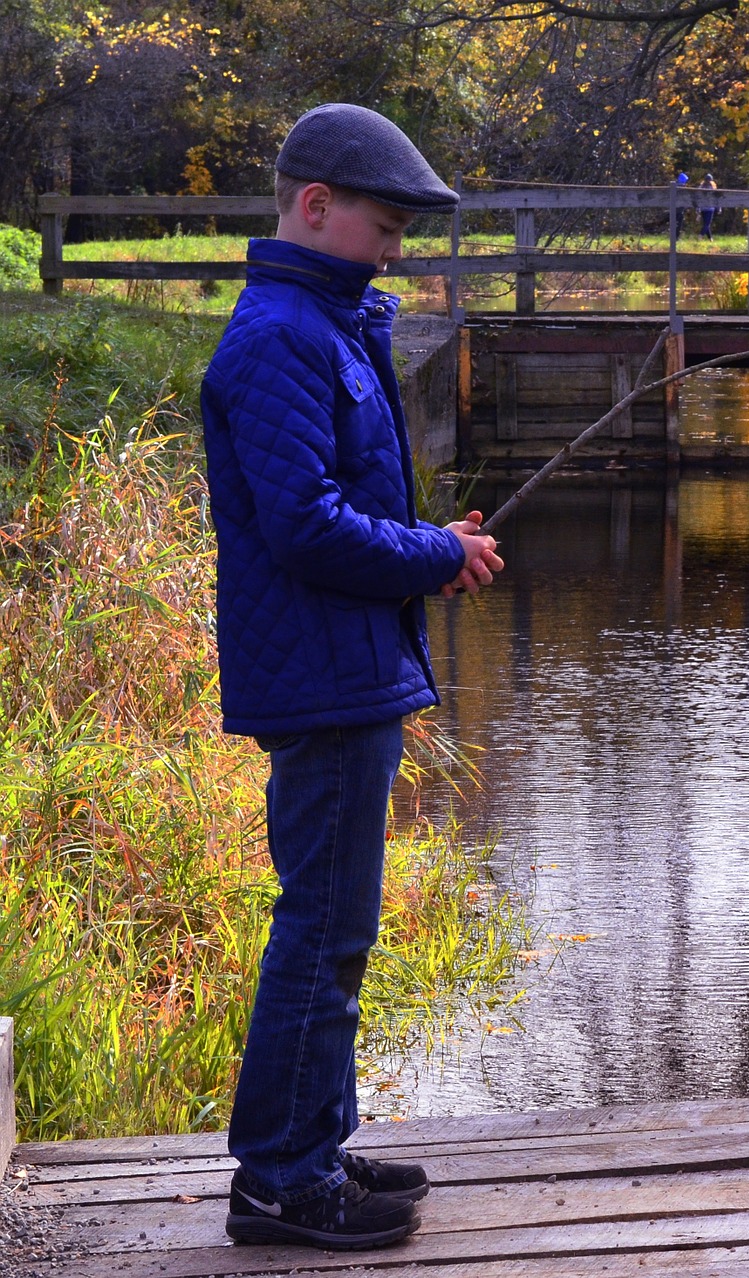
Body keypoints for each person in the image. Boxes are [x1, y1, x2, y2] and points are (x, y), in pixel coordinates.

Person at [199, 102, 505, 1251]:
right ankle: (281, 1180)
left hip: (345, 666)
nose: (392, 253)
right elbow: (307, 529)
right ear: (315, 206)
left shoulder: (324, 323)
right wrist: (434, 554)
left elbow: (341, 503)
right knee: (322, 930)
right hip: (323, 679)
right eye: (382, 228)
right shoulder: (280, 335)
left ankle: (311, 1145)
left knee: (337, 928)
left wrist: (438, 539)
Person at [699, 173, 719, 240]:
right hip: (710, 208)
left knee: (706, 224)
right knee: (707, 224)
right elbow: (716, 199)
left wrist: (698, 208)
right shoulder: (713, 188)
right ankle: (701, 235)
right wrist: (718, 208)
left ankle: (710, 238)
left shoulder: (701, 187)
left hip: (703, 208)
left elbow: (698, 198)